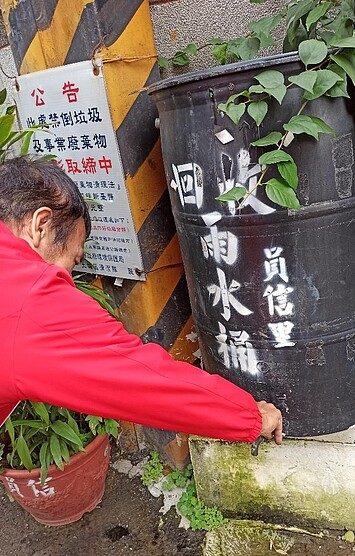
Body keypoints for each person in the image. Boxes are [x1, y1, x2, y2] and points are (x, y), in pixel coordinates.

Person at [0, 157, 283, 445]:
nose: (68, 279)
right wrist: (251, 416)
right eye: (73, 261)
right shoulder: (28, 296)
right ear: (40, 226)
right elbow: (141, 379)